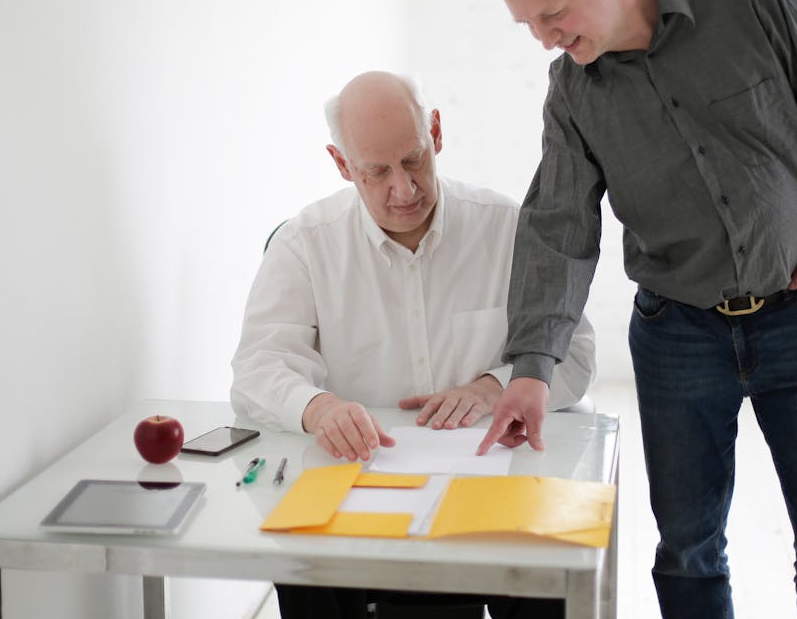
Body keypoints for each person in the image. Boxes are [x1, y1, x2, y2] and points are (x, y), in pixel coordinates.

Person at [476, 0, 797, 619]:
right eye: (528, 24)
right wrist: (531, 369)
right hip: (677, 337)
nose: (544, 39)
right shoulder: (573, 92)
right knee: (687, 550)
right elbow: (558, 226)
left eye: (552, 16)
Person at [231, 70, 595, 619]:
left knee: (552, 572)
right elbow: (258, 367)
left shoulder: (506, 228)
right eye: (376, 172)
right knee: (299, 565)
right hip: (358, 488)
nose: (403, 190)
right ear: (341, 164)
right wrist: (318, 407)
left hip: (491, 487)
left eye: (414, 159)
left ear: (437, 133)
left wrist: (493, 388)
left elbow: (579, 351)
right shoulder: (306, 244)